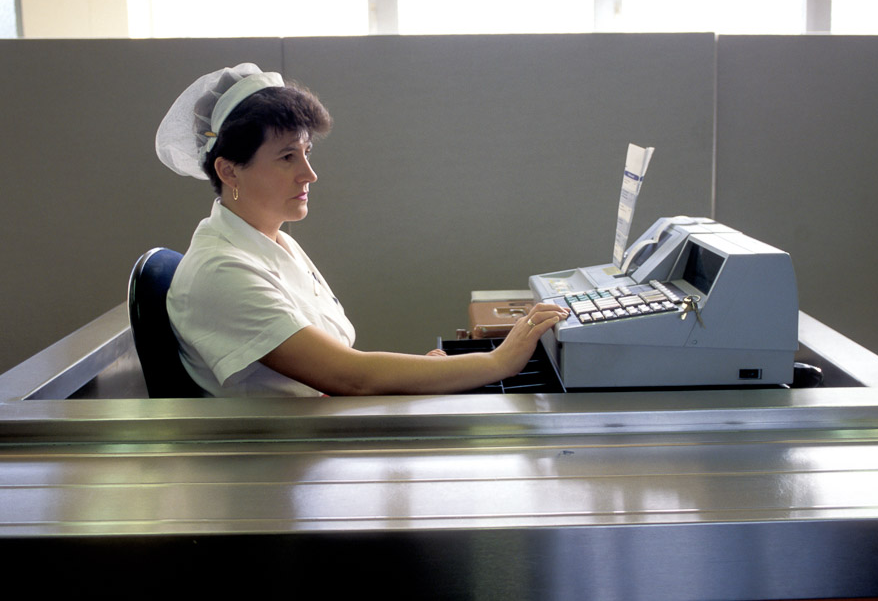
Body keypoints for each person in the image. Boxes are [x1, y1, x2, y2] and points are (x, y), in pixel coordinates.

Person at [155, 63, 568, 397]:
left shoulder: (270, 241)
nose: (309, 174)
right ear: (229, 170)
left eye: (307, 152)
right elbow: (349, 377)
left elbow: (344, 366)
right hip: (282, 470)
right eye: (286, 157)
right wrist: (498, 361)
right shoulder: (222, 269)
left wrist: (426, 371)